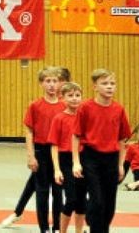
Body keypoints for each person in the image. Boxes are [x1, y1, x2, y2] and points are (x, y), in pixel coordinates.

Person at [71, 68, 130, 233]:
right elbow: (76, 136)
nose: (109, 87)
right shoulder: (85, 107)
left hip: (111, 158)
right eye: (105, 84)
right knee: (97, 201)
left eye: (112, 83)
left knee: (109, 205)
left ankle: (100, 227)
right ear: (95, 87)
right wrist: (76, 162)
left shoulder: (119, 109)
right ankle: (95, 225)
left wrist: (120, 165)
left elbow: (122, 139)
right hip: (90, 157)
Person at [23, 66, 65, 233]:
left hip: (59, 153)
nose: (52, 85)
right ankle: (44, 228)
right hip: (41, 150)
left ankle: (56, 226)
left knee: (58, 191)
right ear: (41, 83)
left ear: (60, 84)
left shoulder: (64, 106)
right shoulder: (35, 106)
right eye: (48, 81)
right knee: (42, 191)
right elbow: (29, 131)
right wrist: (30, 156)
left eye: (55, 81)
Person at [50, 81, 85, 233]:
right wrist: (57, 169)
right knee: (71, 199)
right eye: (70, 96)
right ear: (62, 98)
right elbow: (54, 145)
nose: (74, 99)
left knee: (82, 201)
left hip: (83, 159)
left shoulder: (85, 117)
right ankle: (61, 231)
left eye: (77, 95)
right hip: (65, 159)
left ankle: (79, 230)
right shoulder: (59, 118)